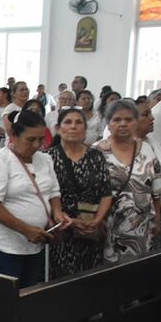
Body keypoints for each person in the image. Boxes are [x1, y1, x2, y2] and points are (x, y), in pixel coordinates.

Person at [0, 110, 69, 287]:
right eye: (30, 139)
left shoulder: (44, 159)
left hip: (37, 243)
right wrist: (26, 230)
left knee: (30, 292)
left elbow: (53, 192)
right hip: (7, 245)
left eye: (41, 139)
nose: (37, 145)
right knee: (9, 297)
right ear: (14, 135)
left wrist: (57, 214)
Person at [46, 107, 112, 278]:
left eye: (78, 122)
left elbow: (106, 191)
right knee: (64, 281)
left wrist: (97, 221)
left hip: (92, 229)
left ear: (85, 129)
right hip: (63, 228)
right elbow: (45, 195)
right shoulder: (48, 158)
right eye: (68, 122)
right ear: (58, 129)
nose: (73, 127)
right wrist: (70, 221)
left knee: (92, 279)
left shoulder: (95, 155)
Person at [95, 99, 161, 262]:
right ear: (108, 123)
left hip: (143, 228)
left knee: (137, 277)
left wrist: (158, 220)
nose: (123, 124)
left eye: (129, 119)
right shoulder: (96, 151)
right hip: (106, 227)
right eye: (117, 119)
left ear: (135, 122)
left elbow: (157, 191)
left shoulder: (148, 149)